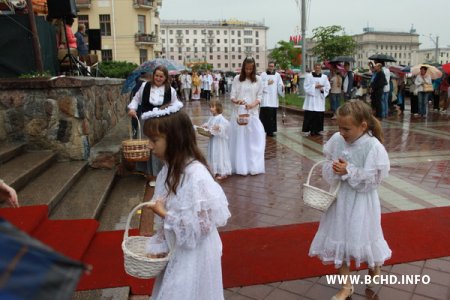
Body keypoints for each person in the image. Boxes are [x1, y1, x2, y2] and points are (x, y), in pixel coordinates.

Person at [142, 102, 231, 300]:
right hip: (179, 249)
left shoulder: (196, 176)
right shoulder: (169, 169)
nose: (149, 145)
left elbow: (202, 227)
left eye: (154, 140)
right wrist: (160, 243)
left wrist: (164, 213)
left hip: (194, 255)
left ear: (174, 139)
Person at [309, 100, 391, 300]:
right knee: (341, 237)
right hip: (340, 199)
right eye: (339, 127)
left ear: (363, 125)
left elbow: (373, 180)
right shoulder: (337, 139)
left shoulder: (372, 146)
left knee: (365, 236)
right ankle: (347, 285)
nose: (342, 132)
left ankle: (375, 268)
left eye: (347, 129)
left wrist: (349, 171)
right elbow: (327, 165)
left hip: (362, 202)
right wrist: (335, 169)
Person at [127, 65, 179, 181]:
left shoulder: (170, 90)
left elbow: (176, 105)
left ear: (165, 78)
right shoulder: (144, 86)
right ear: (153, 75)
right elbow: (136, 99)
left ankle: (159, 174)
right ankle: (148, 173)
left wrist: (171, 113)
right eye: (156, 75)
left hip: (162, 123)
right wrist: (132, 108)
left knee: (159, 146)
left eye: (161, 76)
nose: (158, 78)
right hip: (146, 120)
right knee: (147, 146)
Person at [229, 57, 265, 175]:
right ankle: (240, 165)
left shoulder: (258, 80)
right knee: (239, 139)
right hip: (239, 112)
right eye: (246, 68)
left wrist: (253, 104)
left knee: (253, 139)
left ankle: (253, 165)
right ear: (243, 67)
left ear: (254, 68)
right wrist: (237, 101)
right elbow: (232, 95)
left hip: (253, 112)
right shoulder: (237, 79)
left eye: (251, 68)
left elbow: (260, 96)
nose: (248, 70)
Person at [201, 100, 232, 180]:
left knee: (220, 154)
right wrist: (206, 126)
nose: (211, 108)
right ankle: (214, 170)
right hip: (213, 140)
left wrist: (219, 127)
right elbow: (209, 124)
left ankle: (223, 171)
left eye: (213, 107)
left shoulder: (221, 118)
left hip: (219, 141)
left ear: (218, 107)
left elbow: (227, 125)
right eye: (210, 107)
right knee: (213, 154)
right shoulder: (211, 118)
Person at [302, 63, 330, 136]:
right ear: (314, 68)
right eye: (316, 67)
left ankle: (317, 130)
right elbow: (306, 86)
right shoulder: (309, 76)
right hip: (311, 99)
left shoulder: (324, 77)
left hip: (319, 99)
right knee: (310, 115)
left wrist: (322, 89)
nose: (318, 69)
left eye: (319, 67)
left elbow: (327, 87)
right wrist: (314, 86)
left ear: (320, 68)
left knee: (318, 115)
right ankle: (310, 130)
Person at [260, 61, 284, 137]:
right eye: (270, 66)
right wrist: (267, 83)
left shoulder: (277, 75)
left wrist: (282, 87)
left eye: (272, 66)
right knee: (265, 115)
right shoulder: (263, 75)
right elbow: (259, 86)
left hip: (273, 98)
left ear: (274, 67)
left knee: (272, 115)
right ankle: (263, 130)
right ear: (268, 66)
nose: (271, 67)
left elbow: (280, 84)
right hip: (265, 99)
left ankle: (271, 131)